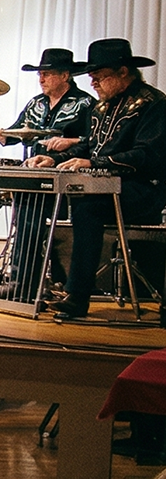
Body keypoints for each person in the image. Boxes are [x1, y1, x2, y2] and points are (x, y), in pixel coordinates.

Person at [29, 39, 166, 319]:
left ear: (123, 72)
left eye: (99, 77)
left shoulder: (153, 104)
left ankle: (77, 296)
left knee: (87, 207)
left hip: (144, 191)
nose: (93, 84)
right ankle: (26, 284)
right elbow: (89, 146)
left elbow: (146, 155)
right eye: (91, 77)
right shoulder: (102, 108)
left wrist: (94, 163)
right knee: (43, 199)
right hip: (107, 188)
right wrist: (54, 159)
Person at [0, 48, 95, 161]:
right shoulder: (35, 103)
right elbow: (20, 130)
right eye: (40, 74)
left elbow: (95, 141)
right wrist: (2, 135)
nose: (41, 80)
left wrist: (71, 142)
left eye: (46, 74)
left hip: (68, 167)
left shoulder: (85, 103)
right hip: (35, 164)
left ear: (64, 76)